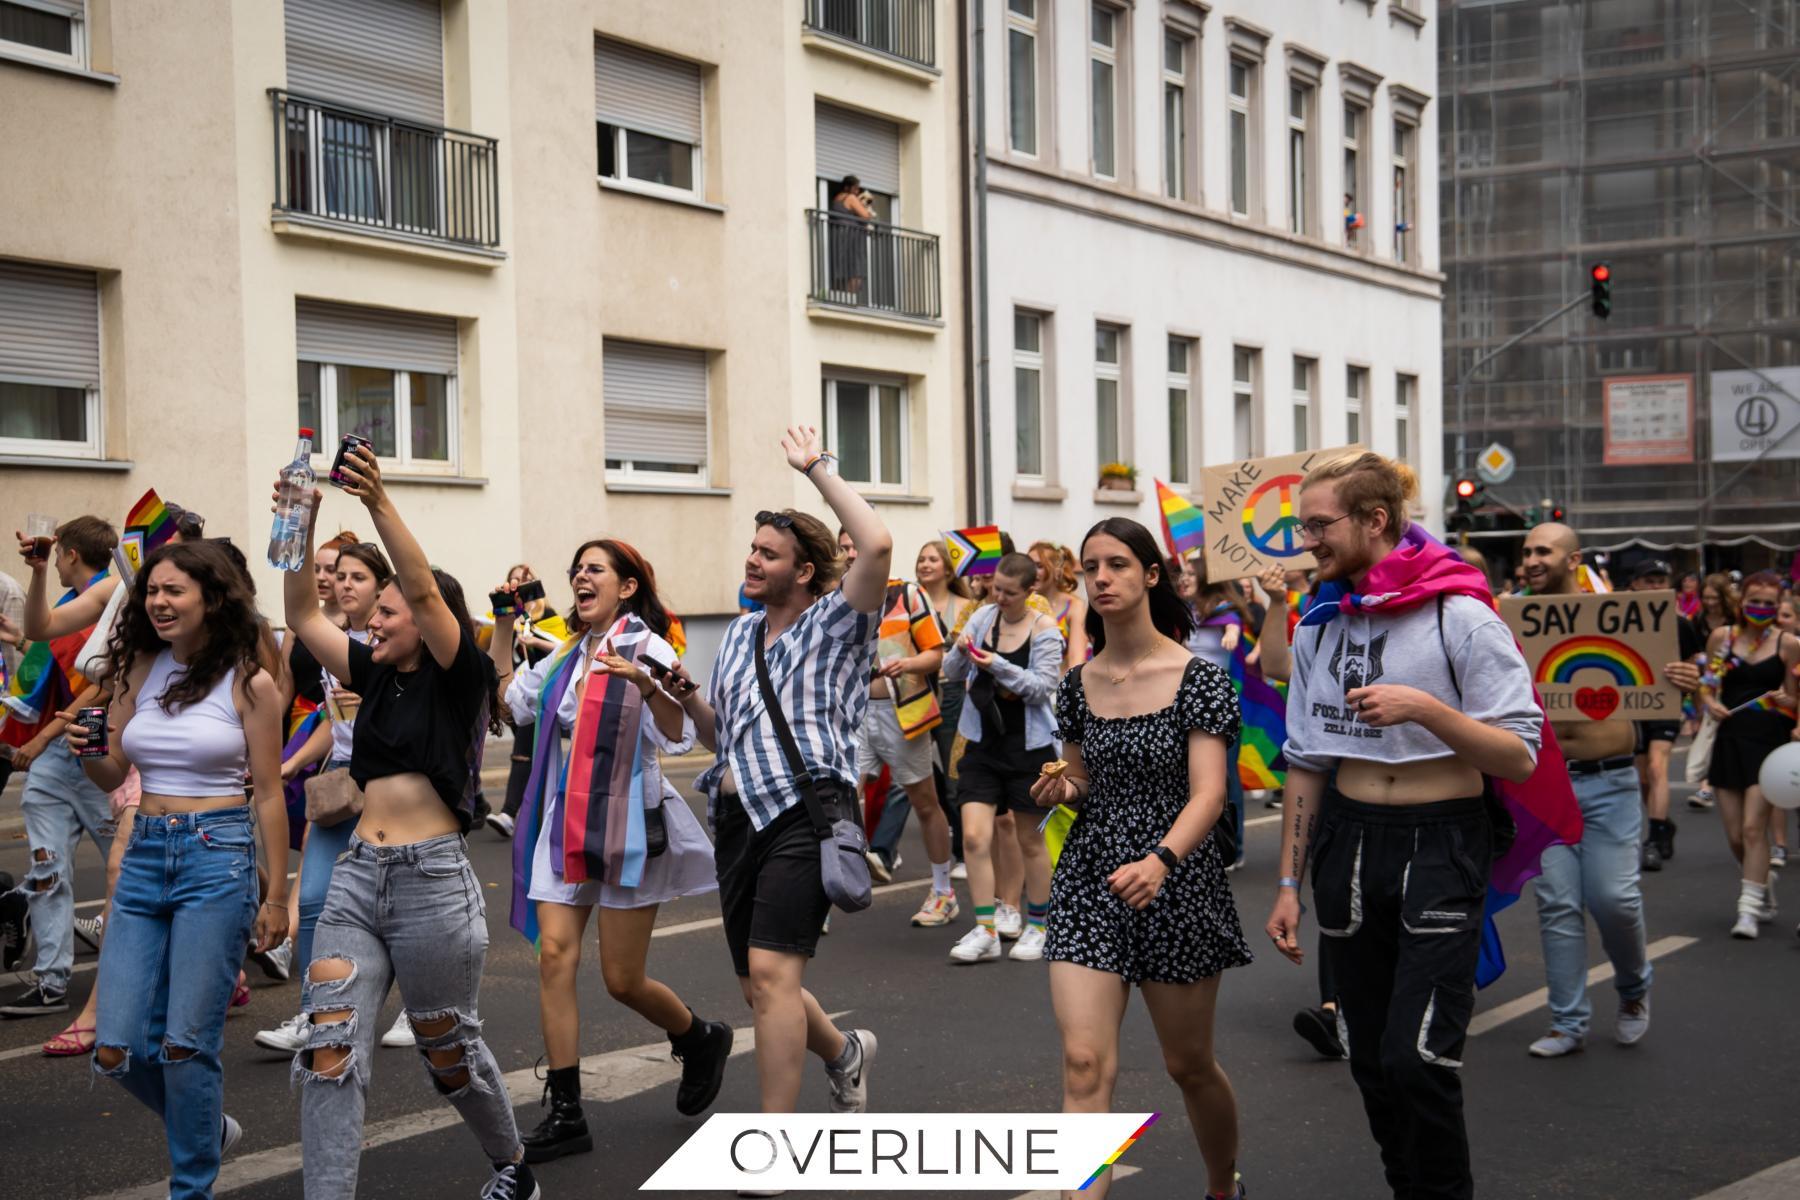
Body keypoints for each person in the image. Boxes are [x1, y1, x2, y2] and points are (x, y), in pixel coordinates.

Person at [1266, 453, 1544, 1200]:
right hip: (1349, 845)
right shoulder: (1319, 623)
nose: (1307, 540)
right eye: (1303, 524)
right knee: (1368, 1058)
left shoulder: (1460, 613)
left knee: (1418, 1055)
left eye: (1318, 524)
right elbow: (1305, 762)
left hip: (1442, 842)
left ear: (1374, 520)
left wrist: (1427, 710)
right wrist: (1289, 882)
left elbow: (1519, 754)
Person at [279, 446, 536, 1200]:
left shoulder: (461, 679)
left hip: (433, 888)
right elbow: (300, 613)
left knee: (445, 1049)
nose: (370, 619)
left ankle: (513, 1165)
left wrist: (378, 503)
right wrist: (301, 521)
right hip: (359, 878)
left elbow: (423, 591)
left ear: (429, 623)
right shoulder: (374, 672)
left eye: (386, 611)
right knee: (330, 1045)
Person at [666, 427, 886, 1139]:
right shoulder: (735, 634)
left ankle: (776, 1140)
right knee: (760, 987)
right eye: (752, 550)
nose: (752, 561)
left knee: (771, 976)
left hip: (803, 811)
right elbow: (718, 734)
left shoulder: (838, 623)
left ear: (804, 570)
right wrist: (679, 693)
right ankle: (845, 1052)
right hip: (734, 817)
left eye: (768, 553)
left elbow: (876, 545)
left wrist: (818, 468)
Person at [1031, 518, 1248, 1200]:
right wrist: (1062, 786)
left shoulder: (1199, 679)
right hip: (1091, 877)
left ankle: (1221, 1185)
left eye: (1118, 564)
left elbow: (1210, 795)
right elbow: (1082, 779)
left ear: (1150, 576)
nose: (1101, 577)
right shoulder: (1077, 684)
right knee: (1084, 1061)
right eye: (1091, 566)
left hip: (1177, 881)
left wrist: (1160, 861)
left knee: (1189, 1064)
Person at [494, 539, 729, 1163]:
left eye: (594, 569)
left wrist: (646, 685)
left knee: (622, 980)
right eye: (576, 570)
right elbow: (508, 700)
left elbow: (679, 736)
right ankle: (568, 1112)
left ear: (626, 587)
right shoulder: (567, 654)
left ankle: (699, 1038)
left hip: (628, 824)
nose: (579, 577)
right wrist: (500, 625)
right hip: (567, 821)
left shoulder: (644, 645)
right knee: (554, 959)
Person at [73, 539, 289, 1199]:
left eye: (175, 591)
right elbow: (115, 770)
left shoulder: (248, 680)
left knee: (185, 1046)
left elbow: (271, 793)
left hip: (217, 855)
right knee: (115, 1049)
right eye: (153, 592)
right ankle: (205, 1128)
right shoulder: (140, 667)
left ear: (210, 598)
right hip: (143, 854)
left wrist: (276, 896)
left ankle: (190, 1186)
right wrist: (90, 753)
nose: (159, 602)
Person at [255, 542, 411, 1055]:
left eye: (357, 577)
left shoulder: (401, 642)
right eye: (339, 576)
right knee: (317, 896)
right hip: (343, 780)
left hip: (394, 782)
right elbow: (332, 722)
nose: (343, 584)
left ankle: (424, 1005)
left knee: (401, 905)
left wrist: (371, 702)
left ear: (382, 585)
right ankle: (315, 1014)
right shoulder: (336, 640)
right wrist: (293, 762)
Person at [1517, 523, 1655, 1056]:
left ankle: (1634, 987)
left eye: (1543, 551)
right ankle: (1567, 1023)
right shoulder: (1509, 620)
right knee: (1557, 905)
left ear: (1572, 559)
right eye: (1526, 550)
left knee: (1614, 898)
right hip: (1546, 784)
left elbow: (1658, 680)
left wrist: (1677, 680)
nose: (1531, 559)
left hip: (1610, 781)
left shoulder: (1620, 616)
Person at [0, 516, 120, 1018]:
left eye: (58, 555)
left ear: (71, 553)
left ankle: (139, 970)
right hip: (55, 761)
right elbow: (47, 639)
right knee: (46, 868)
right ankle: (50, 981)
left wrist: (46, 734)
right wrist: (36, 574)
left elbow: (104, 682)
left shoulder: (113, 599)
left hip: (96, 749)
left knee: (130, 866)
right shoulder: (72, 602)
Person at [941, 552, 1063, 964]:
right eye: (996, 588)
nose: (1000, 597)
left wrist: (996, 664)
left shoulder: (1045, 629)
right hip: (983, 743)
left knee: (1031, 840)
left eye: (1010, 593)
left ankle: (1039, 925)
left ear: (1030, 592)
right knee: (974, 836)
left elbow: (1042, 687)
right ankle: (986, 928)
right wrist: (960, 652)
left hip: (1029, 747)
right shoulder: (982, 618)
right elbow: (952, 672)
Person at [854, 546, 955, 928]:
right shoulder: (839, 599)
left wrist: (907, 663)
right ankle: (828, 892)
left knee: (925, 801)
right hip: (855, 715)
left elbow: (936, 653)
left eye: (855, 547)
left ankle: (943, 892)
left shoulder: (907, 595)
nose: (851, 554)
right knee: (844, 796)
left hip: (904, 711)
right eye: (845, 548)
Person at [1697, 571, 1800, 939]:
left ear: (1779, 607)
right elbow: (1708, 686)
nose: (1761, 609)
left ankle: (1748, 911)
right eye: (1755, 601)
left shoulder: (1789, 644)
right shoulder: (1722, 639)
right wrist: (1711, 704)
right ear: (1742, 602)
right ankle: (1762, 883)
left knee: (1755, 828)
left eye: (1769, 605)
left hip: (1769, 744)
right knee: (1736, 836)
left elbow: (1794, 698)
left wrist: (1790, 705)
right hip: (1730, 740)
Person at [1628, 559, 1702, 872]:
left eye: (1661, 580)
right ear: (1635, 585)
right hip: (1632, 708)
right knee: (1643, 777)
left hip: (1665, 704)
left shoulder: (1681, 623)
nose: (1656, 586)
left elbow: (1694, 665)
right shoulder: (1622, 620)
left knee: (1658, 769)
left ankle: (1654, 840)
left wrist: (1697, 706)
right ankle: (1663, 823)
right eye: (1649, 580)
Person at [490, 561, 566, 840]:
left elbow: (564, 648)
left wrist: (535, 641)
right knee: (536, 756)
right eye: (514, 581)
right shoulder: (507, 620)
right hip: (513, 691)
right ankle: (542, 811)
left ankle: (510, 813)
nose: (520, 585)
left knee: (525, 750)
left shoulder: (552, 618)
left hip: (546, 694)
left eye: (526, 580)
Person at [915, 539, 976, 877]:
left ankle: (965, 853)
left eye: (932, 559)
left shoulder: (965, 605)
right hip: (915, 694)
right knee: (917, 776)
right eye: (921, 559)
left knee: (955, 777)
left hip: (953, 694)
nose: (924, 564)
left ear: (948, 569)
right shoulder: (909, 602)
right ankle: (879, 850)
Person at [1689, 572, 1740, 812]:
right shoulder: (1697, 620)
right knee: (1702, 728)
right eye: (1706, 598)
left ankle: (1714, 783)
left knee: (1721, 731)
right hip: (1703, 680)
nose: (1710, 603)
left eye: (1714, 598)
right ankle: (1706, 784)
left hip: (1730, 680)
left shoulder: (1735, 619)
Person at [1030, 541, 1090, 668]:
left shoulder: (1074, 606)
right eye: (1028, 566)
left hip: (1060, 684)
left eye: (1039, 566)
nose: (1032, 572)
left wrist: (1068, 687)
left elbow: (1076, 660)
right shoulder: (1023, 602)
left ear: (1057, 571)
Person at [828, 175, 875, 298]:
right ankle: (850, 299)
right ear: (847, 187)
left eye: (858, 189)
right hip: (852, 237)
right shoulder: (851, 198)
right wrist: (866, 209)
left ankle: (837, 297)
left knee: (841, 268)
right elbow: (865, 216)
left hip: (839, 236)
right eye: (855, 188)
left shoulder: (836, 199)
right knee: (856, 269)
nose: (857, 191)